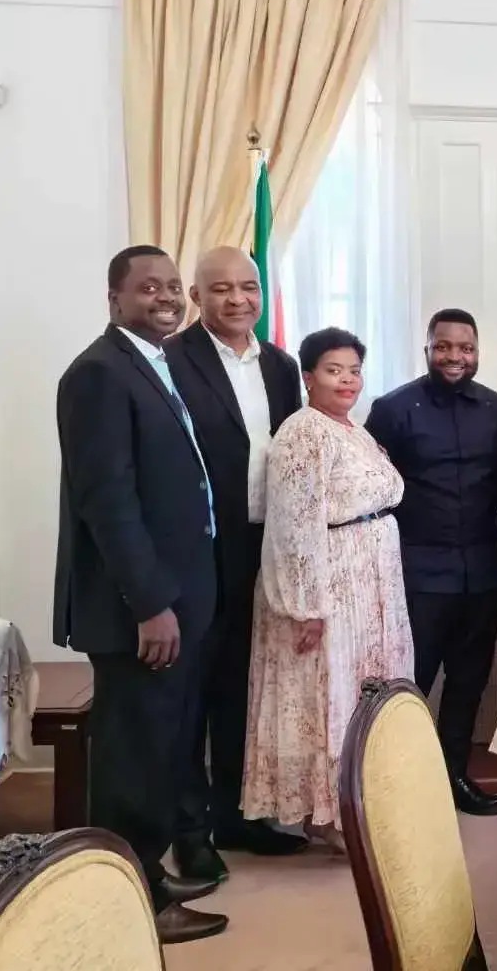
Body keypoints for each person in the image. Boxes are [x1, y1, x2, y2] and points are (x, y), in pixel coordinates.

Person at [53, 245, 227, 944]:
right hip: (140, 611)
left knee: (161, 751)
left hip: (178, 598)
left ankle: (145, 875)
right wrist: (151, 604)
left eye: (173, 286)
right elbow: (109, 503)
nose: (167, 297)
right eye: (148, 287)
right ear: (114, 299)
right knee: (132, 762)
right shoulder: (98, 373)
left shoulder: (153, 363)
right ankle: (126, 908)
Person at [164, 246, 307, 880]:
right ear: (197, 297)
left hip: (260, 545)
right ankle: (188, 831)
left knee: (243, 686)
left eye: (249, 287)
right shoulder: (171, 359)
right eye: (221, 289)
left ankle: (236, 816)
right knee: (190, 694)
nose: (239, 299)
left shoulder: (280, 365)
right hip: (197, 548)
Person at [241, 328, 414, 852]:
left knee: (364, 691)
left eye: (354, 371)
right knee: (329, 693)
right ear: (308, 376)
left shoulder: (353, 430)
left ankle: (362, 802)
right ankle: (325, 814)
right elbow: (293, 526)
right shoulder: (303, 432)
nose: (346, 381)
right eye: (333, 370)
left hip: (372, 586)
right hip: (329, 590)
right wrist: (305, 606)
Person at [365, 309, 497, 817]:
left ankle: (453, 779)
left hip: (482, 571)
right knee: (409, 685)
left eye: (465, 348)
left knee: (469, 683)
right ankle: (395, 787)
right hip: (418, 573)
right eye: (443, 346)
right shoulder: (392, 409)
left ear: (477, 351)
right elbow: (372, 490)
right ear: (427, 349)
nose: (455, 357)